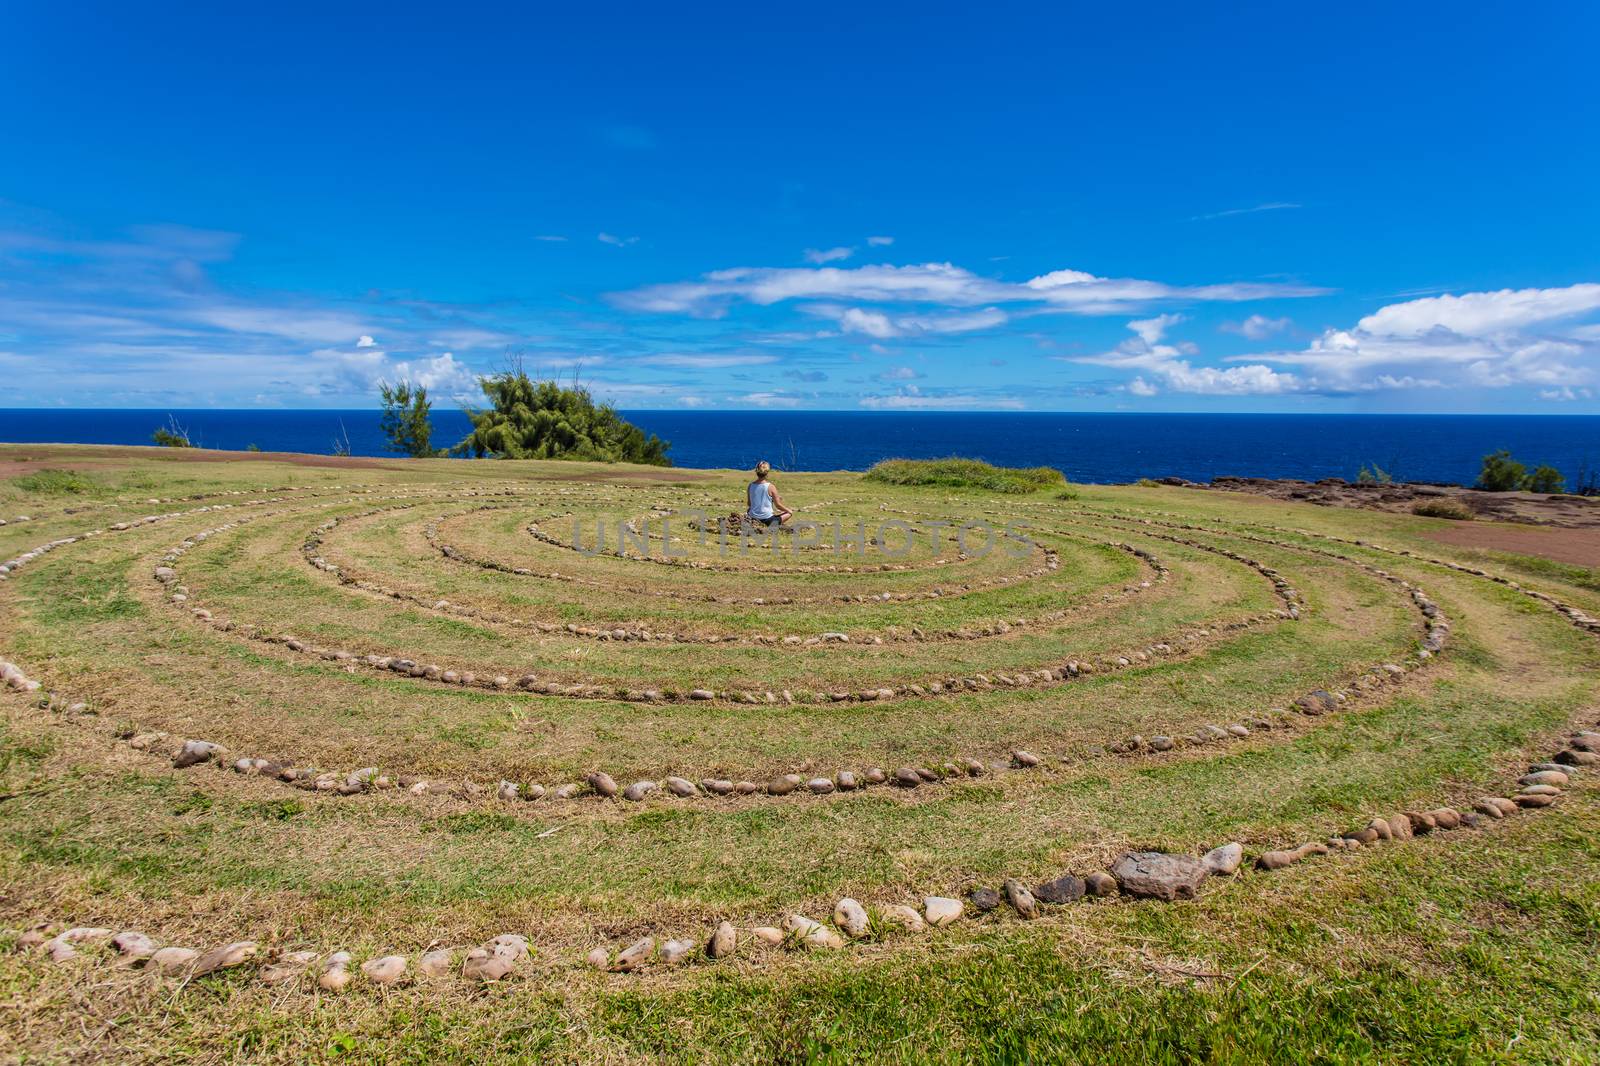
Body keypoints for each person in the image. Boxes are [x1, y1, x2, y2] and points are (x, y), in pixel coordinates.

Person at [746, 460, 792, 527]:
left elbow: (749, 504)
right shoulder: (771, 486)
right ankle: (774, 525)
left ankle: (756, 523)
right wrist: (789, 510)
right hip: (768, 520)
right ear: (767, 473)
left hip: (753, 518)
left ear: (756, 472)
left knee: (749, 510)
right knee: (789, 513)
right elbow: (778, 505)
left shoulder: (750, 486)